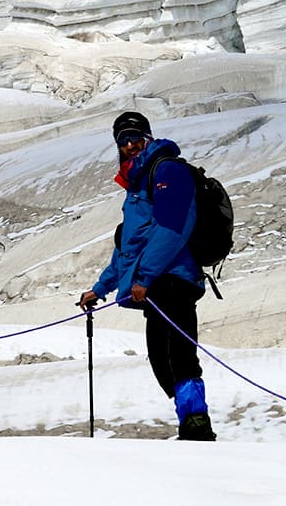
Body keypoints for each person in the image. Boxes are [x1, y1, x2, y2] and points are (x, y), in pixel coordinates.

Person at [79, 111, 217, 441]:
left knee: (180, 355)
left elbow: (173, 229)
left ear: (149, 137)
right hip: (155, 283)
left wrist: (144, 277)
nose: (129, 145)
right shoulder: (138, 185)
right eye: (123, 141)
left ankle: (197, 424)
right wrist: (99, 290)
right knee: (161, 358)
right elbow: (129, 245)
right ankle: (189, 419)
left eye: (135, 138)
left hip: (174, 279)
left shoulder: (167, 170)